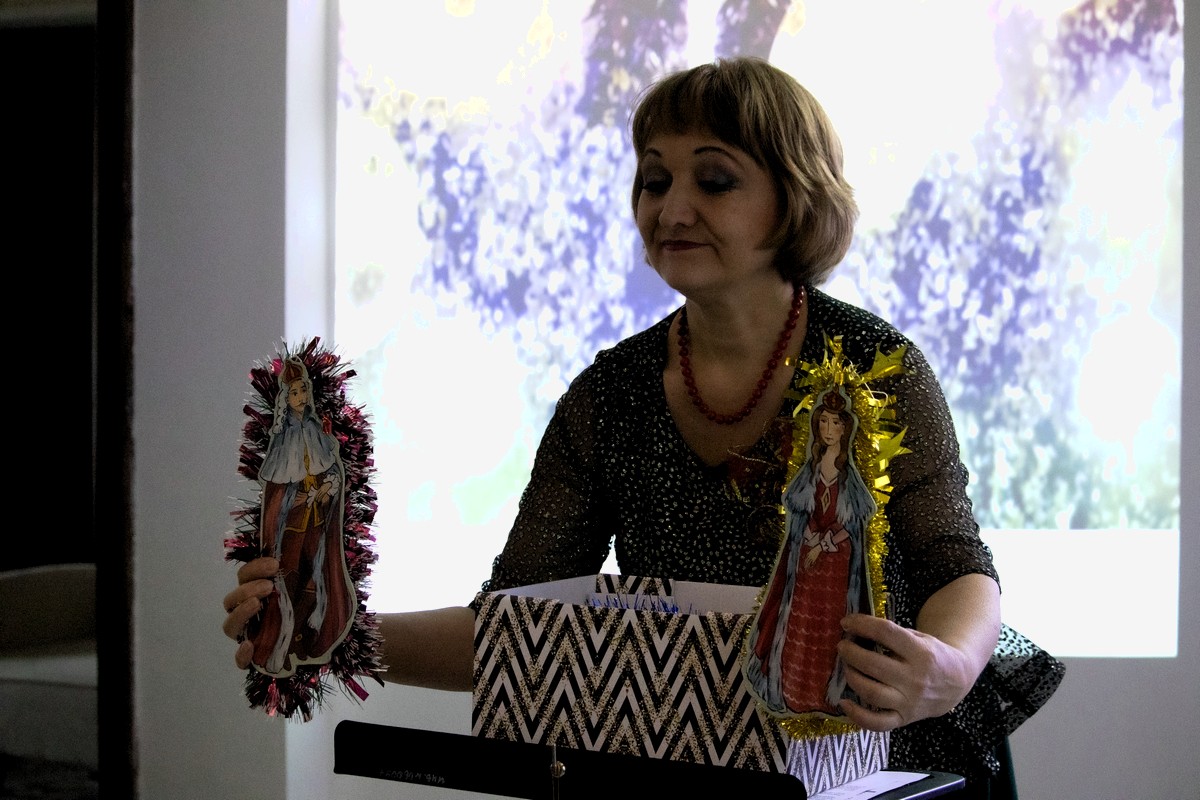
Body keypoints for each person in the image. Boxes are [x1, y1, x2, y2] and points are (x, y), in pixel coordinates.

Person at [223, 56, 1062, 796]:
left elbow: (958, 567)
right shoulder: (608, 396)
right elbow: (513, 630)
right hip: (692, 779)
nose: (672, 208)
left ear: (794, 198)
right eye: (655, 181)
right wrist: (331, 635)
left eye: (715, 180)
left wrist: (949, 666)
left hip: (887, 772)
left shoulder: (877, 366)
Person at [743, 385, 877, 718]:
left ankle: (827, 696)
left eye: (836, 423)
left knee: (830, 629)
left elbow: (853, 521)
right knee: (799, 623)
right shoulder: (811, 470)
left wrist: (827, 543)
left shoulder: (849, 476)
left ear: (845, 428)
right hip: (806, 564)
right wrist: (813, 542)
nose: (829, 429)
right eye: (824, 422)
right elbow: (801, 514)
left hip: (837, 568)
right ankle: (795, 692)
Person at [247, 357, 356, 677]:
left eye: (303, 391)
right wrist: (299, 499)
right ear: (286, 398)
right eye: (294, 392)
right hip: (291, 528)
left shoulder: (314, 429)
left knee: (316, 578)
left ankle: (309, 638)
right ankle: (281, 646)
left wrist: (328, 488)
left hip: (318, 524)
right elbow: (278, 490)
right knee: (288, 581)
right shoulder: (282, 439)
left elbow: (330, 470)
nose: (300, 397)